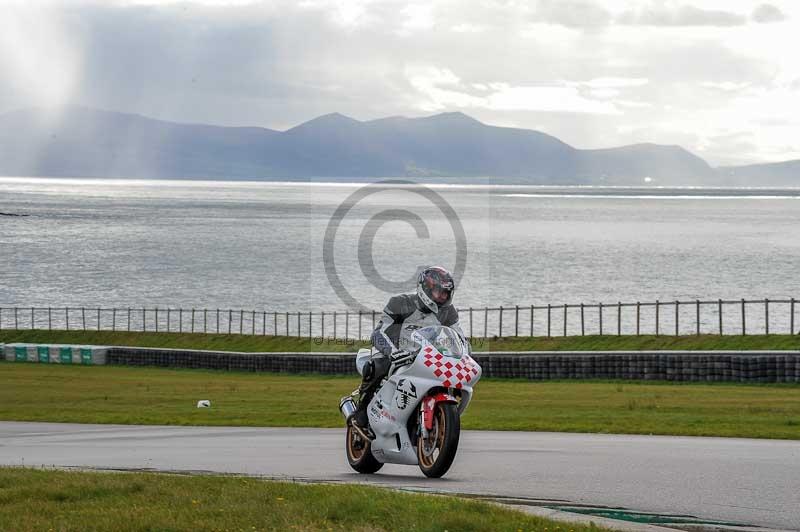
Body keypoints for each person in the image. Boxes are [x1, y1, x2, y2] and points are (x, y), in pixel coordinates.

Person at [348, 266, 468, 434]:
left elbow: (459, 337)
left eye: (446, 293)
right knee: (377, 365)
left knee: (450, 379)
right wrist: (392, 352)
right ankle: (361, 410)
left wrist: (463, 355)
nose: (443, 297)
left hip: (426, 358)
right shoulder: (400, 303)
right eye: (439, 292)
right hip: (396, 354)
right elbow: (378, 333)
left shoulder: (448, 312)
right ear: (426, 289)